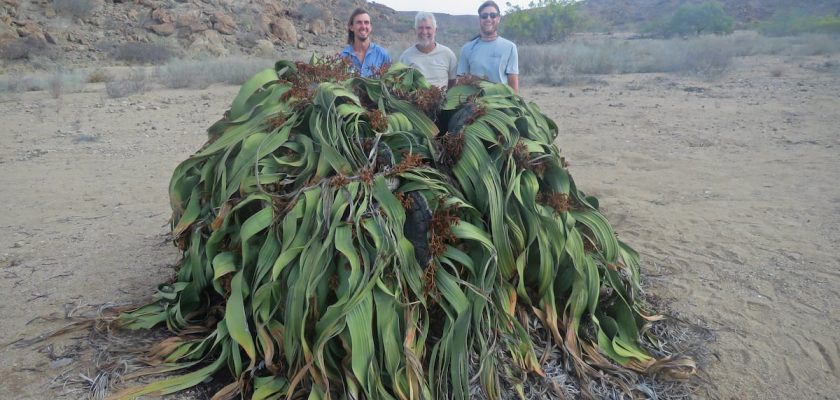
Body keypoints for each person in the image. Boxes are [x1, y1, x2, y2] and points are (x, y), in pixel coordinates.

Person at [456, 0, 519, 93]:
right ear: (480, 19)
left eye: (493, 15)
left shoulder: (510, 47)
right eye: (484, 16)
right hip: (475, 104)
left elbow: (513, 83)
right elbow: (460, 81)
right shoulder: (467, 48)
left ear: (498, 18)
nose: (488, 19)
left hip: (501, 102)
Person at [398, 12, 457, 89]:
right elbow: (401, 84)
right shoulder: (406, 57)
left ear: (435, 30)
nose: (424, 32)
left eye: (428, 28)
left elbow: (453, 83)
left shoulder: (448, 54)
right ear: (415, 30)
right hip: (414, 100)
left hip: (443, 100)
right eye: (420, 28)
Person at [340, 8, 392, 77]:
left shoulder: (382, 55)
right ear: (351, 27)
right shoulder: (343, 56)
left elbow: (390, 81)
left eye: (366, 22)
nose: (363, 26)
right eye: (359, 22)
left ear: (370, 27)